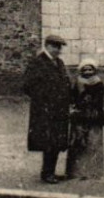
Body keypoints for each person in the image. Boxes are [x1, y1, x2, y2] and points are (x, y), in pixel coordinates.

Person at [22, 33, 71, 183]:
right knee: (48, 142)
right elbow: (27, 85)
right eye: (55, 47)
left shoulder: (59, 63)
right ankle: (47, 174)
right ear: (47, 46)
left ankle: (51, 172)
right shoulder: (37, 63)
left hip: (60, 109)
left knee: (56, 141)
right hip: (45, 110)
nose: (58, 50)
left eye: (59, 47)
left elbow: (65, 83)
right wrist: (43, 100)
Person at [66, 58, 104, 181]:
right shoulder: (77, 82)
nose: (88, 72)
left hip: (93, 115)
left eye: (90, 69)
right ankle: (76, 171)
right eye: (85, 69)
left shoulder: (98, 83)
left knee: (93, 143)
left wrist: (90, 104)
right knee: (78, 141)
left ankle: (93, 171)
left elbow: (99, 99)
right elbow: (73, 96)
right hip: (80, 114)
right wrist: (75, 105)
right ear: (81, 71)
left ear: (94, 70)